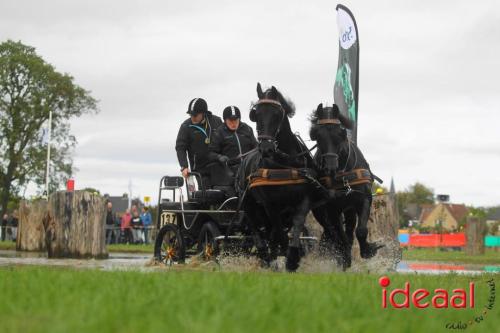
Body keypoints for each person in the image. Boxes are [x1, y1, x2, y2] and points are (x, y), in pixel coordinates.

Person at [175, 98, 223, 189]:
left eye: (195, 115)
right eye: (190, 114)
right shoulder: (186, 126)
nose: (192, 117)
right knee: (207, 196)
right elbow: (180, 147)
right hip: (201, 170)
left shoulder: (217, 121)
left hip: (219, 168)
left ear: (203, 113)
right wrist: (184, 166)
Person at [209, 105, 257, 174]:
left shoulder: (247, 128)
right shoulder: (219, 132)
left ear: (239, 119)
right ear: (225, 120)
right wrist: (219, 157)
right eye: (230, 120)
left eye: (236, 120)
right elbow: (211, 153)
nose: (233, 123)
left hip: (250, 168)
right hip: (230, 170)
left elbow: (255, 146)